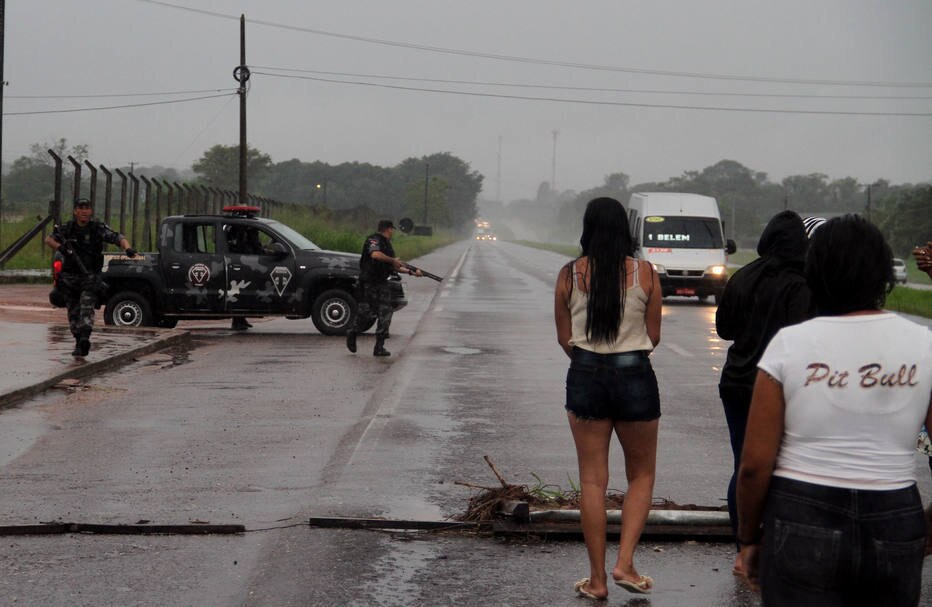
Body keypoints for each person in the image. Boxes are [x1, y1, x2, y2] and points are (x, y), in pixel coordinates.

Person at [737, 214, 932, 606]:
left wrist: (749, 538)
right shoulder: (923, 344)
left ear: (816, 272)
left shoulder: (789, 345)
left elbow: (756, 464)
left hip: (801, 511)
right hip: (894, 510)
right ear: (883, 275)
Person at [553, 197, 662, 599]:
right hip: (635, 374)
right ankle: (626, 563)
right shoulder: (646, 273)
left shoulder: (569, 274)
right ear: (625, 229)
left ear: (588, 228)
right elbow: (653, 337)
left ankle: (597, 580)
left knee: (593, 481)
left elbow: (564, 336)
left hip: (584, 374)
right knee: (642, 475)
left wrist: (589, 361)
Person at [715, 210, 811, 574]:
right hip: (783, 388)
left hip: (737, 383)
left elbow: (724, 329)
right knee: (785, 467)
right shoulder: (803, 283)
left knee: (744, 465)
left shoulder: (743, 276)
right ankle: (777, 545)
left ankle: (743, 547)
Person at [45, 197, 137, 357]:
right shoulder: (67, 229)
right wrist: (62, 248)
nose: (84, 211)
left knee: (87, 307)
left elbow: (118, 238)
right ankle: (79, 341)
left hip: (89, 276)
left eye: (87, 208)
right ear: (75, 211)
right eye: (81, 208)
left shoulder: (97, 228)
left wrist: (128, 249)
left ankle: (85, 338)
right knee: (73, 313)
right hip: (70, 278)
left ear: (91, 211)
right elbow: (49, 239)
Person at [345, 219, 421, 357]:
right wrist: (393, 260)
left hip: (381, 283)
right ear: (387, 229)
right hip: (368, 283)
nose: (392, 232)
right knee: (365, 315)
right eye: (391, 229)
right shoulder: (373, 240)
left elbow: (393, 266)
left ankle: (379, 347)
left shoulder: (387, 245)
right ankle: (352, 332)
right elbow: (375, 255)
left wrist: (412, 272)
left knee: (386, 313)